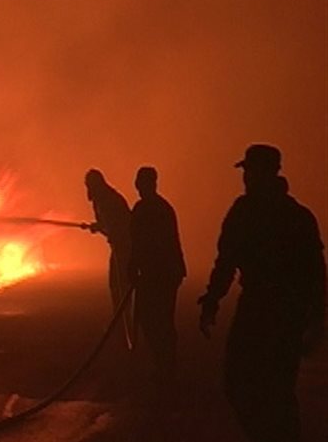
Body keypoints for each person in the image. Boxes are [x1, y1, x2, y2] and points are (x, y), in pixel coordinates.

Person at [197, 144, 325, 442]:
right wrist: (316, 318)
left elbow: (226, 261)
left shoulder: (245, 212)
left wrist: (212, 301)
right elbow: (316, 273)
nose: (245, 178)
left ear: (260, 172)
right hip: (287, 313)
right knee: (277, 390)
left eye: (249, 171)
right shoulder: (299, 215)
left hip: (260, 310)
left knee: (241, 383)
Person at [129, 166, 186, 386]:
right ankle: (165, 365)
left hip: (158, 274)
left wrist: (134, 267)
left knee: (154, 319)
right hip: (166, 273)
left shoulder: (147, 209)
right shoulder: (161, 208)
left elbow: (141, 243)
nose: (138, 185)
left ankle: (165, 367)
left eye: (140, 181)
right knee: (159, 319)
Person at [84, 169, 135, 349]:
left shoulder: (108, 200)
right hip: (119, 248)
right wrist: (99, 227)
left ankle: (127, 331)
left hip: (124, 249)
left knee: (122, 287)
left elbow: (117, 227)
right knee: (116, 286)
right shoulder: (103, 199)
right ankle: (122, 326)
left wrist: (101, 227)